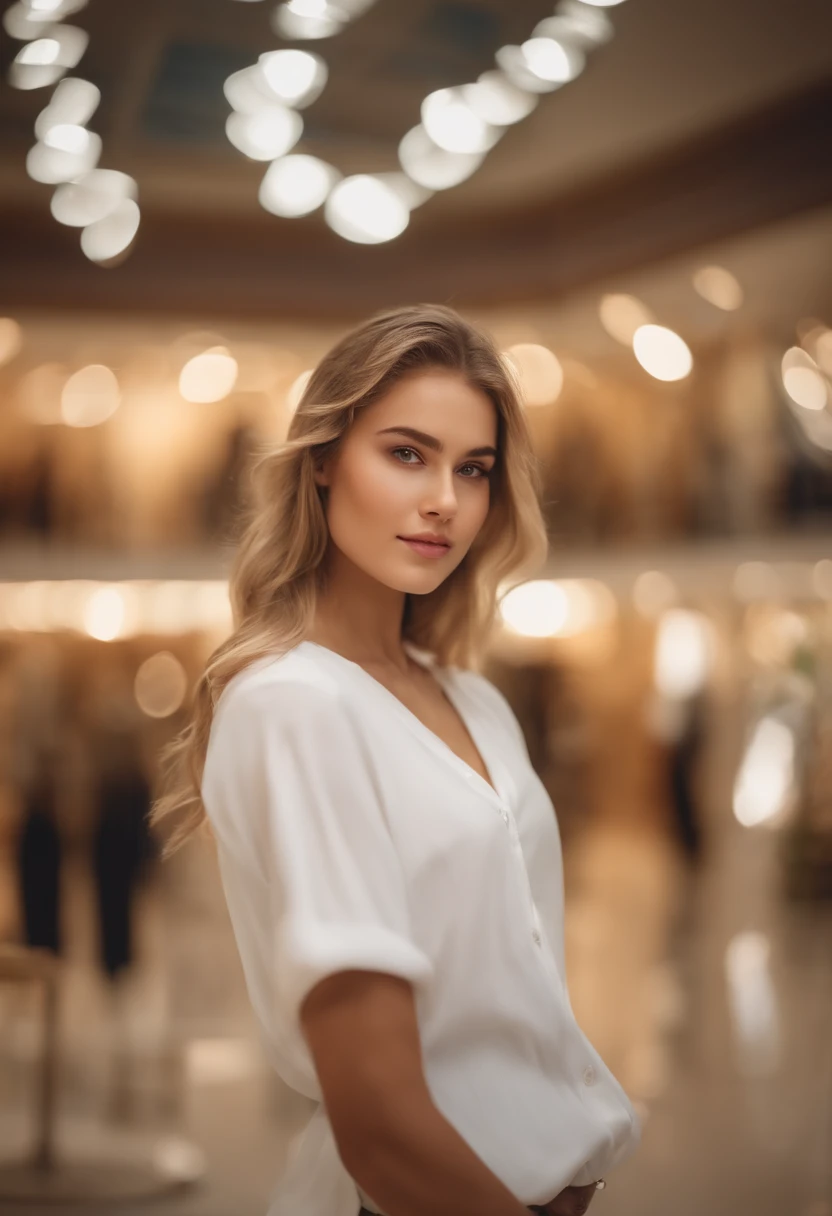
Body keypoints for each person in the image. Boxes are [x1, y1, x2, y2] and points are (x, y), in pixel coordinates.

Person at [151, 305, 640, 1216]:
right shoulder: (293, 704)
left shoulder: (472, 698)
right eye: (407, 453)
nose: (444, 501)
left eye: (475, 469)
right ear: (326, 459)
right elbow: (378, 1122)